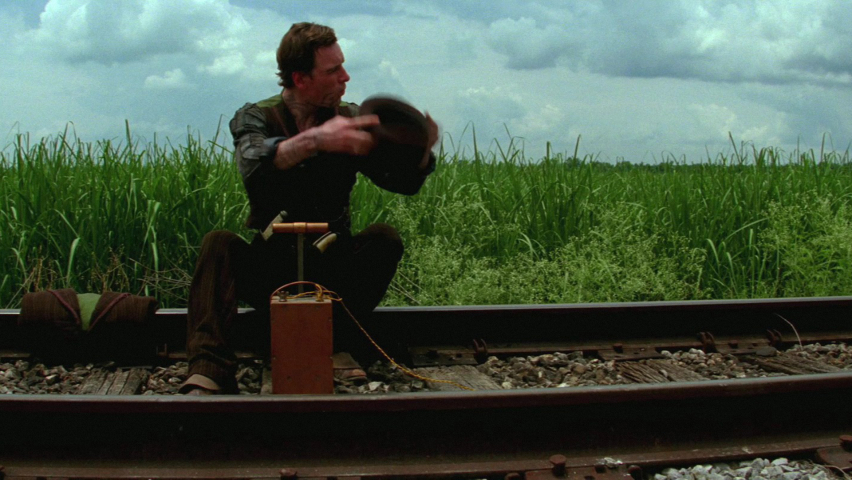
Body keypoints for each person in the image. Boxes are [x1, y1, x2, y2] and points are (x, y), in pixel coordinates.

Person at [180, 22, 438, 395]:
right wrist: (316, 141)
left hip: (332, 268)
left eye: (343, 66)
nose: (345, 77)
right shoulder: (256, 116)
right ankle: (209, 367)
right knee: (217, 243)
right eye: (333, 70)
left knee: (384, 239)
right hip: (271, 267)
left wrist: (421, 152)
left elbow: (403, 183)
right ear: (300, 79)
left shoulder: (350, 119)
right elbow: (252, 160)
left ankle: (336, 342)